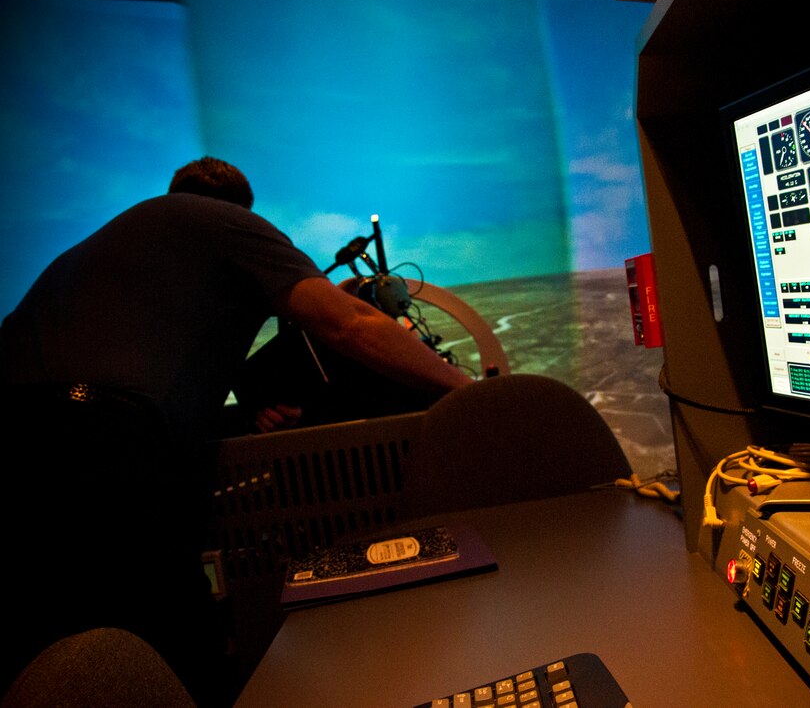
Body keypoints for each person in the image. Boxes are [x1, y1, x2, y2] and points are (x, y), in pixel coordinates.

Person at [0, 157, 472, 705]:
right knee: (177, 649)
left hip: (15, 452)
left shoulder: (102, 249)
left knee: (49, 664)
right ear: (241, 208)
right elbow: (349, 322)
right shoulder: (227, 223)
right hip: (103, 448)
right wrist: (464, 390)